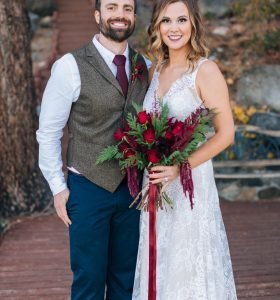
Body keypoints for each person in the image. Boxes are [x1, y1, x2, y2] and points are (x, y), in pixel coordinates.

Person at [36, 0, 150, 299]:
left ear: (134, 16)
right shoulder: (70, 66)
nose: (120, 15)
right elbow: (48, 132)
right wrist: (58, 188)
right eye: (112, 7)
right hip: (87, 188)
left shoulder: (144, 66)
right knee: (89, 280)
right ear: (97, 15)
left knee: (126, 281)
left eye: (127, 8)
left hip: (133, 189)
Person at [133, 0, 237, 299]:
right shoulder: (154, 71)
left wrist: (181, 166)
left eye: (181, 20)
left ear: (193, 24)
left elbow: (226, 133)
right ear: (157, 26)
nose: (174, 28)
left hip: (189, 182)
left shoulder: (206, 71)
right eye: (166, 21)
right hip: (155, 182)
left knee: (187, 264)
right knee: (159, 258)